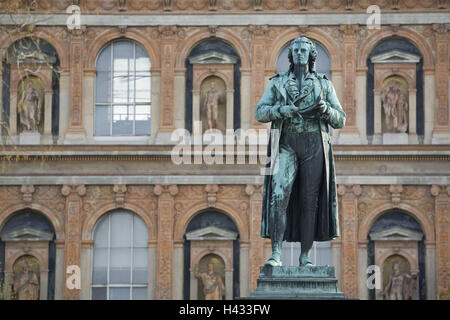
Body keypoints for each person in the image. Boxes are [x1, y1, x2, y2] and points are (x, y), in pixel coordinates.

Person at [254, 37, 346, 267]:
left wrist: (325, 110)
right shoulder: (277, 83)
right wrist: (281, 109)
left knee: (309, 201)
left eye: (304, 50)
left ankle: (305, 257)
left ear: (311, 54)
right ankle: (276, 253)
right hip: (286, 142)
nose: (299, 53)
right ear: (291, 55)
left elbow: (341, 119)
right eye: (295, 50)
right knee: (278, 196)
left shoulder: (324, 84)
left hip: (314, 142)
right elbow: (260, 112)